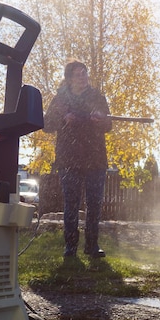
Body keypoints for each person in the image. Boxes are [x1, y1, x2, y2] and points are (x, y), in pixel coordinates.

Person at [43, 60, 112, 258]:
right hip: (69, 159)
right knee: (71, 204)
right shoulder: (60, 100)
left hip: (95, 158)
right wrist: (64, 120)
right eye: (78, 74)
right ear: (69, 78)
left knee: (94, 204)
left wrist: (101, 119)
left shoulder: (98, 97)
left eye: (85, 73)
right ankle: (70, 247)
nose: (83, 77)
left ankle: (92, 246)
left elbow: (109, 125)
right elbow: (47, 125)